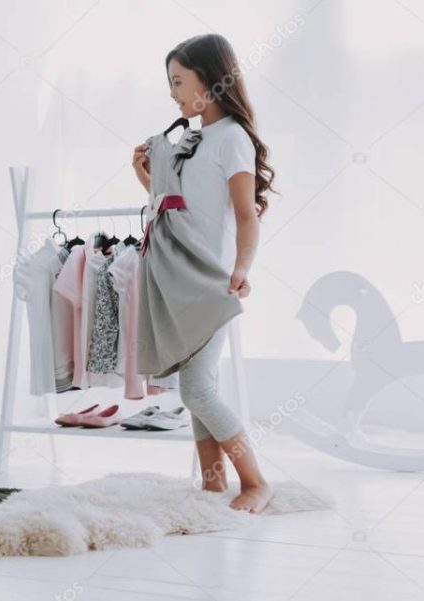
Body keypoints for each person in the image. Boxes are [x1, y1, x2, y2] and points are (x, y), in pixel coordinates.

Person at [132, 34, 277, 513]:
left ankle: (255, 481)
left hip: (209, 282)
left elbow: (245, 213)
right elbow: (180, 208)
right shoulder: (195, 139)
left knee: (196, 388)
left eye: (178, 81)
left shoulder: (231, 137)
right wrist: (147, 180)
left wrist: (241, 267)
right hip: (180, 282)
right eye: (169, 83)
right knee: (198, 386)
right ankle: (213, 486)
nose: (172, 93)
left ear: (211, 81)